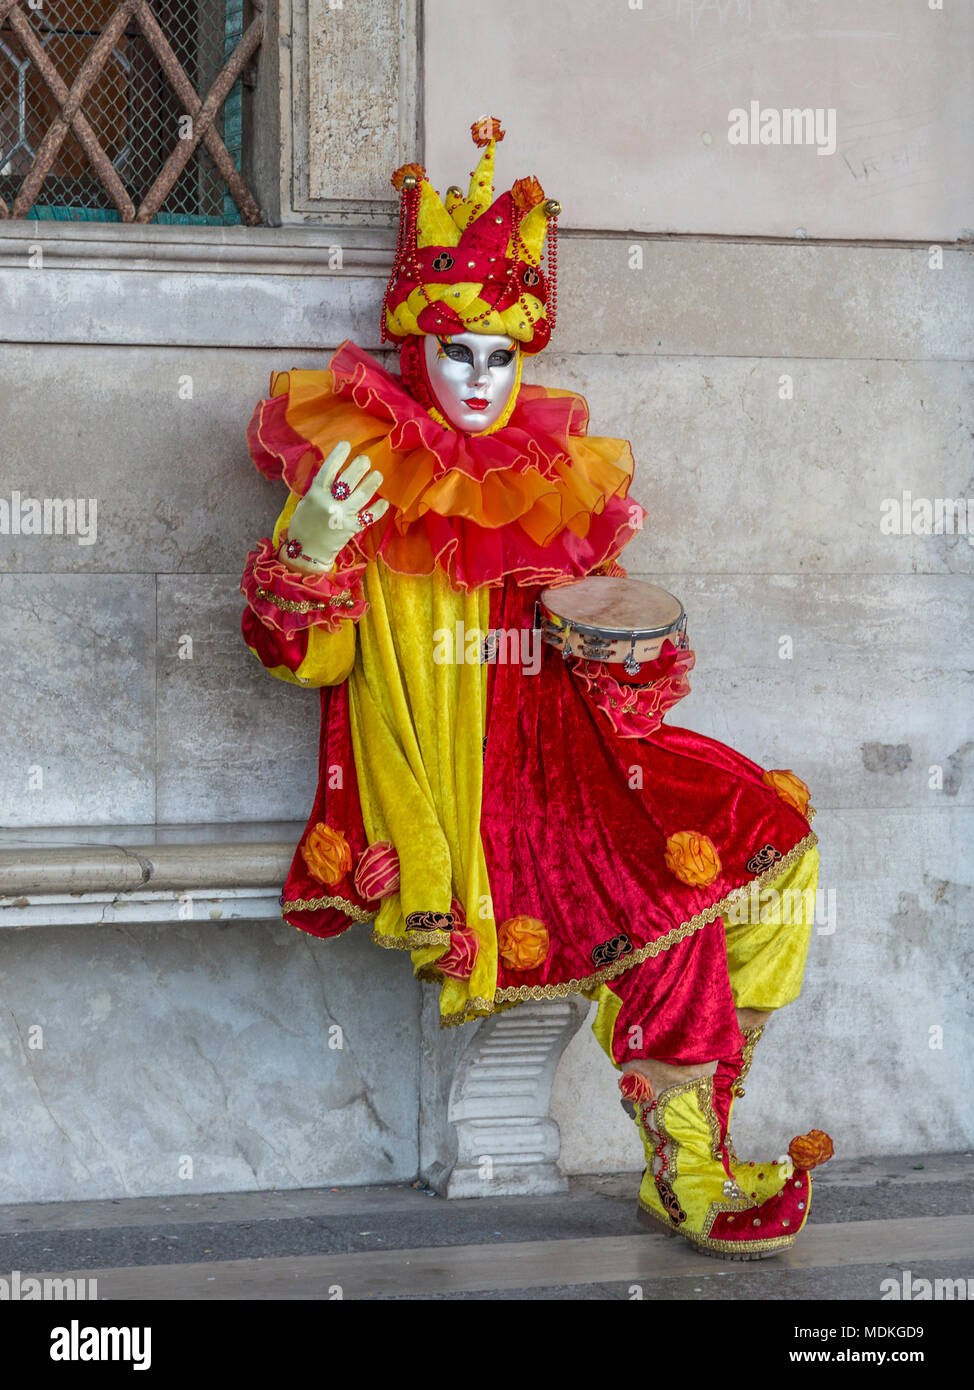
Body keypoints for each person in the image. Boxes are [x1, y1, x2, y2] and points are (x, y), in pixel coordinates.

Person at [240, 117, 833, 1259]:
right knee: (665, 906)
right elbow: (297, 654)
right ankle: (691, 1172)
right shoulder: (360, 473)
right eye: (456, 350)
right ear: (416, 350)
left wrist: (633, 645)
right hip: (466, 796)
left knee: (771, 836)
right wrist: (309, 547)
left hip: (566, 753)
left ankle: (697, 1112)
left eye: (500, 356)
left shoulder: (547, 478)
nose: (478, 377)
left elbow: (604, 669)